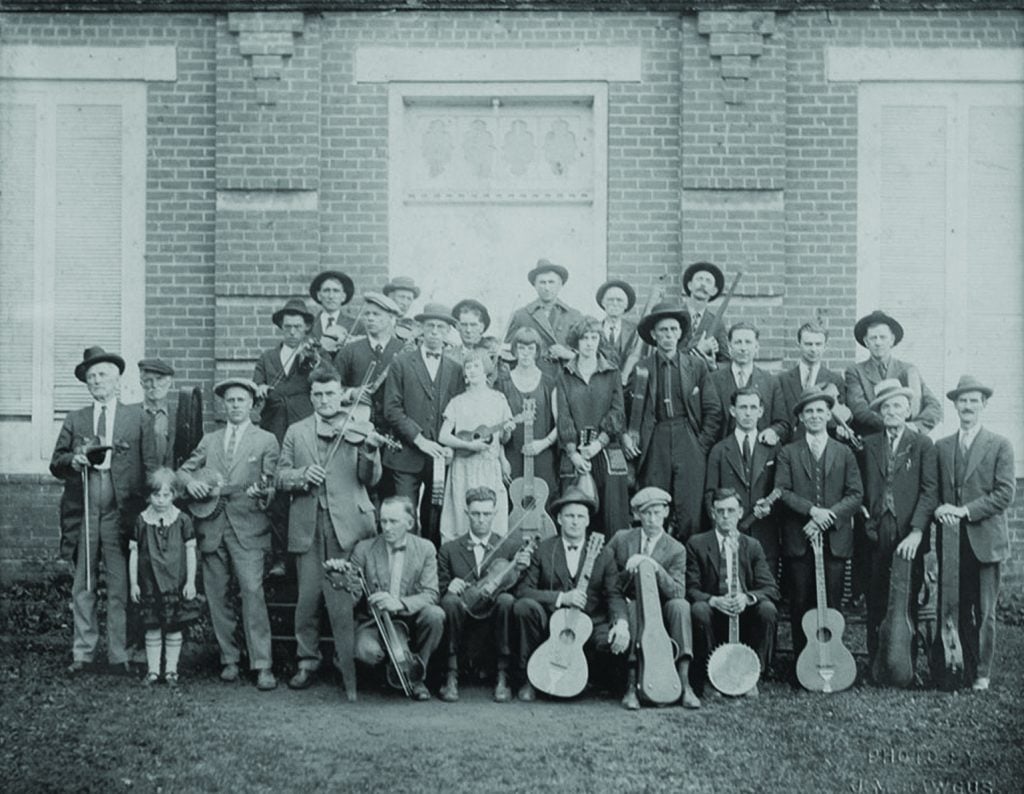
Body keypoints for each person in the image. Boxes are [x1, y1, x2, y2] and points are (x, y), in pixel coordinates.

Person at [275, 366, 384, 699]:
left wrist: (369, 449)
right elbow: (280, 475)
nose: (325, 400)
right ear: (311, 397)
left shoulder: (359, 428)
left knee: (348, 597)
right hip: (309, 524)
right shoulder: (296, 431)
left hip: (349, 524)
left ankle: (345, 658)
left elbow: (371, 479)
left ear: (342, 394)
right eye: (319, 395)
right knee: (308, 598)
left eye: (331, 394)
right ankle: (307, 660)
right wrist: (302, 474)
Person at [51, 346, 155, 674]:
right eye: (91, 376)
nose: (96, 380)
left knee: (119, 584)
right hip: (84, 509)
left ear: (117, 379)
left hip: (120, 511)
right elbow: (57, 462)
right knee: (83, 583)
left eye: (103, 375)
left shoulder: (137, 417)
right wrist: (74, 459)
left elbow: (151, 465)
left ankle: (119, 653)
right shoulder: (76, 418)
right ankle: (83, 652)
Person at [177, 378, 280, 691]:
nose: (235, 405)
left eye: (241, 400)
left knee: (252, 593)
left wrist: (265, 492)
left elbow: (272, 485)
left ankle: (262, 665)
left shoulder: (266, 440)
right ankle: (229, 659)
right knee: (218, 596)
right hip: (211, 526)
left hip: (249, 528)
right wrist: (189, 483)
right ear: (223, 406)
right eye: (230, 401)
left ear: (252, 404)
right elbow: (184, 470)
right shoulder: (210, 440)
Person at [934, 376, 1016, 692]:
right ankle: (961, 667)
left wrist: (964, 511)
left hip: (986, 541)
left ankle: (982, 672)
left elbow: (1004, 494)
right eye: (962, 401)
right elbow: (938, 494)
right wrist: (943, 508)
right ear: (954, 405)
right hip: (952, 544)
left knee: (984, 612)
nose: (967, 407)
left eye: (974, 401)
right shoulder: (942, 447)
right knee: (957, 607)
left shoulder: (1000, 445)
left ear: (983, 405)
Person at [774, 386, 863, 665]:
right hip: (799, 539)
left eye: (820, 411)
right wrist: (812, 511)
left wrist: (828, 516)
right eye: (808, 411)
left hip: (835, 539)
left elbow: (856, 493)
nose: (815, 416)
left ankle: (831, 658)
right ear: (800, 417)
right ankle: (804, 663)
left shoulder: (844, 452)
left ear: (828, 415)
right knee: (800, 603)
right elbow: (782, 490)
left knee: (832, 604)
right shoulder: (788, 452)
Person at [624, 302, 722, 539]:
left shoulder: (695, 366)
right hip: (655, 439)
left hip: (688, 437)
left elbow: (713, 409)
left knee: (690, 509)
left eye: (673, 329)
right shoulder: (642, 368)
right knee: (655, 505)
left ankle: (689, 570)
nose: (668, 335)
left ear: (680, 333)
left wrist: (699, 447)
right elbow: (627, 411)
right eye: (663, 330)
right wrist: (627, 436)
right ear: (654, 335)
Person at [860, 379, 938, 674]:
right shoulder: (869, 444)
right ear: (880, 412)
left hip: (908, 533)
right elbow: (860, 488)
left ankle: (906, 665)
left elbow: (929, 491)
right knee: (876, 596)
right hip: (876, 530)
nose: (891, 411)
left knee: (908, 597)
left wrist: (917, 531)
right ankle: (877, 664)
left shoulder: (921, 444)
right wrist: (866, 519)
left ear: (908, 410)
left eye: (897, 406)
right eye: (886, 406)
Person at [603, 487, 701, 709]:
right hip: (630, 604)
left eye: (657, 512)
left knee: (681, 606)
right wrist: (629, 571)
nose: (652, 519)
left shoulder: (676, 549)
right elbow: (605, 576)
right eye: (646, 513)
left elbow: (677, 591)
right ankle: (632, 685)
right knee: (634, 608)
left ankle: (684, 684)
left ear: (666, 512)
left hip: (662, 607)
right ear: (637, 515)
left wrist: (653, 566)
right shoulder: (621, 539)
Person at [513, 487, 612, 702]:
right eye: (569, 516)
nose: (575, 522)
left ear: (587, 521)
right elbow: (523, 591)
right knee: (524, 608)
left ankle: (592, 681)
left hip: (589, 622)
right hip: (550, 621)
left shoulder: (604, 554)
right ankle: (528, 679)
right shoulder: (545, 549)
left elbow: (614, 594)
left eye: (580, 517)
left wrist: (621, 622)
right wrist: (561, 598)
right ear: (559, 519)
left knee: (609, 641)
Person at [437, 487, 531, 703]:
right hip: (462, 616)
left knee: (507, 600)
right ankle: (451, 675)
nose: (481, 519)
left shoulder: (511, 546)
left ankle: (503, 675)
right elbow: (439, 589)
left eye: (486, 514)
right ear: (466, 513)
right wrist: (450, 586)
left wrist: (519, 568)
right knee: (450, 602)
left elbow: (520, 590)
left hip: (496, 618)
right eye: (476, 514)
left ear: (494, 514)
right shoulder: (449, 549)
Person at [381, 303, 463, 545]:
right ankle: (401, 569)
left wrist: (452, 445)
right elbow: (391, 409)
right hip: (406, 455)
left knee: (435, 517)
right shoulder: (402, 363)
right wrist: (420, 440)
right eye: (430, 326)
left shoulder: (455, 369)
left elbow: (459, 411)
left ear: (448, 332)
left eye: (441, 327)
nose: (435, 332)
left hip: (440, 457)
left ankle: (431, 570)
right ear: (420, 329)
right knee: (405, 515)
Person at [686, 488, 780, 697]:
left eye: (731, 510)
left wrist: (747, 598)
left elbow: (770, 588)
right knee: (699, 610)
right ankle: (710, 678)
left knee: (767, 609)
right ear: (712, 513)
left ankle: (753, 675)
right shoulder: (697, 544)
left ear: (740, 512)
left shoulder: (752, 546)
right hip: (714, 614)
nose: (726, 516)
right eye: (720, 511)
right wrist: (713, 600)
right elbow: (691, 588)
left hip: (744, 616)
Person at [351, 496, 445, 701]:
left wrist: (400, 603)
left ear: (410, 523)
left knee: (435, 615)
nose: (387, 527)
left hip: (411, 619)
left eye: (393, 522)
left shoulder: (426, 548)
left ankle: (418, 675)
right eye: (383, 521)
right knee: (366, 652)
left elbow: (431, 594)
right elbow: (353, 596)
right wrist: (343, 581)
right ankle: (387, 670)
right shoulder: (364, 549)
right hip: (374, 622)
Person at [556, 317, 630, 537]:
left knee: (612, 516)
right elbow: (563, 415)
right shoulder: (565, 374)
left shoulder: (611, 372)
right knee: (576, 512)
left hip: (606, 449)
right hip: (575, 454)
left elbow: (618, 411)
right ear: (576, 343)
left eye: (594, 338)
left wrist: (600, 443)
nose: (589, 343)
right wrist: (573, 453)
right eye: (584, 338)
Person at [128, 468, 200, 687]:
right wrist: (133, 583)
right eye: (156, 495)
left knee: (174, 626)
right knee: (152, 626)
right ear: (149, 496)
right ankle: (152, 671)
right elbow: (134, 552)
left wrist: (190, 581)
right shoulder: (141, 521)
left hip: (174, 583)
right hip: (149, 584)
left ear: (174, 495)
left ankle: (171, 671)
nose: (161, 500)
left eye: (166, 495)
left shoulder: (182, 520)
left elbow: (190, 552)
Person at [438, 350, 515, 544]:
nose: (471, 371)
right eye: (468, 367)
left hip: (490, 468)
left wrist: (507, 430)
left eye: (476, 366)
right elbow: (443, 436)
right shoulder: (457, 402)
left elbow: (504, 439)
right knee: (461, 519)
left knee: (491, 519)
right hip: (463, 468)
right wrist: (468, 445)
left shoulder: (498, 400)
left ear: (486, 370)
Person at [704, 387, 783, 575]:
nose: (748, 413)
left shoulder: (773, 448)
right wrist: (722, 528)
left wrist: (771, 508)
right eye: (742, 407)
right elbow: (710, 494)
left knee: (765, 594)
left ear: (761, 411)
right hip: (731, 534)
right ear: (733, 411)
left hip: (765, 532)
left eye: (753, 407)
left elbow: (782, 488)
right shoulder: (719, 450)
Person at [845, 310, 942, 437]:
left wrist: (916, 426)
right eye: (873, 338)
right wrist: (893, 424)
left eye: (883, 337)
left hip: (906, 442)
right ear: (866, 342)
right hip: (871, 441)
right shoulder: (856, 371)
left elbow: (934, 407)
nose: (878, 342)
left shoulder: (908, 370)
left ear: (891, 340)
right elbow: (860, 410)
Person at [496, 327, 559, 496]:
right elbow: (496, 426)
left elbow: (562, 423)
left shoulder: (549, 382)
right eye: (521, 348)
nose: (525, 353)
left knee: (542, 502)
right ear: (514, 350)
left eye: (530, 348)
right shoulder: (503, 383)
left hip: (542, 455)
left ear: (537, 351)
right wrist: (502, 460)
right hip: (512, 455)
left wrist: (543, 443)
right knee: (513, 503)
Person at [707, 322, 788, 444]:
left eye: (748, 342)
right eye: (738, 342)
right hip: (723, 455)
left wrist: (773, 431)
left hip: (760, 454)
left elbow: (782, 423)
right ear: (729, 347)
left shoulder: (770, 382)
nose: (743, 348)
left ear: (756, 347)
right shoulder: (714, 381)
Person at [333, 291, 406, 425]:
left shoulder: (404, 350)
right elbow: (331, 387)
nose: (370, 318)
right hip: (357, 428)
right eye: (367, 314)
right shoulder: (349, 350)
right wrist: (352, 394)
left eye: (376, 314)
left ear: (391, 318)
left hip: (396, 427)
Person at [253, 297, 317, 445]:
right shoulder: (267, 357)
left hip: (304, 422)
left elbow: (325, 378)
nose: (292, 332)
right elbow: (256, 385)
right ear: (281, 326)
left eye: (297, 327)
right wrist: (260, 387)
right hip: (273, 424)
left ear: (306, 327)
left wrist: (314, 358)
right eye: (288, 327)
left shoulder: (314, 354)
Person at [776, 321, 853, 444]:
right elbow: (780, 418)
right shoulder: (782, 380)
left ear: (825, 346)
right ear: (799, 344)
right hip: (790, 447)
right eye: (808, 344)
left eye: (818, 344)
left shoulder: (835, 380)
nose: (813, 349)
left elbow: (839, 418)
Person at [504, 259, 583, 375]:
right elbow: (509, 352)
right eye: (542, 282)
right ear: (534, 285)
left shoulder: (574, 316)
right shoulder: (521, 315)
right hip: (534, 380)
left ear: (560, 284)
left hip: (566, 378)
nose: (547, 287)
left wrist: (567, 354)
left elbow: (587, 355)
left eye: (551, 282)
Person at [680, 261, 730, 366]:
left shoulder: (717, 324)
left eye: (708, 281)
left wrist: (713, 365)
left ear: (714, 291)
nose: (703, 284)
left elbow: (725, 362)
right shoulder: (675, 315)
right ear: (689, 285)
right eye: (699, 279)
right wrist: (698, 349)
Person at [449, 298, 503, 382]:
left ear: (482, 327)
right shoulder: (449, 355)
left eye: (473, 325)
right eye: (464, 325)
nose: (468, 330)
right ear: (457, 327)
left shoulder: (493, 353)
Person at [137, 358, 177, 468]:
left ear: (169, 382)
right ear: (141, 383)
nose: (154, 385)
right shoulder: (131, 414)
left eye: (159, 379)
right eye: (148, 380)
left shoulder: (179, 417)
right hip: (137, 482)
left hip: (171, 480)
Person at [594, 279, 639, 373]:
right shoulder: (594, 329)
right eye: (610, 300)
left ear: (626, 305)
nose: (615, 304)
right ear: (603, 303)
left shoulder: (635, 331)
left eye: (619, 300)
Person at [309, 270, 356, 354]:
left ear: (343, 297)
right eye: (326, 290)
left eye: (336, 291)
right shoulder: (309, 325)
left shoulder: (355, 326)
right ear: (319, 295)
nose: (331, 296)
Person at [382, 276, 422, 343]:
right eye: (401, 297)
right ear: (390, 297)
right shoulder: (377, 321)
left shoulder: (412, 327)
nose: (405, 303)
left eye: (409, 299)